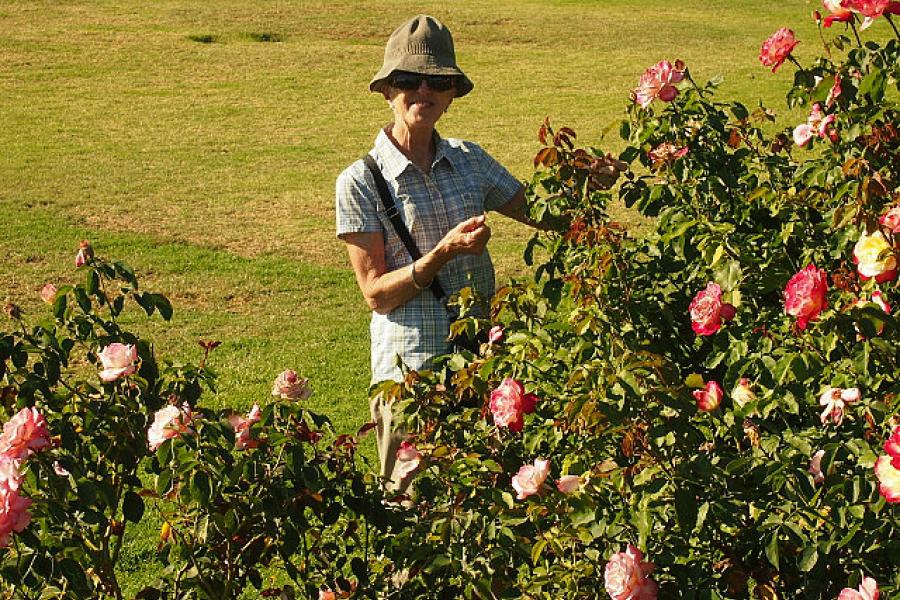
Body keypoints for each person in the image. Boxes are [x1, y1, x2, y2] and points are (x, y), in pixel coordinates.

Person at [335, 14, 535, 493]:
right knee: (414, 522)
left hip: (482, 369)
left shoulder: (469, 160)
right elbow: (376, 294)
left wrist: (588, 180)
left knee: (489, 511)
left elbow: (539, 210)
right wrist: (441, 254)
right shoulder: (360, 181)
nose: (422, 91)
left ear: (450, 94)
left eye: (437, 81)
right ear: (387, 90)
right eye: (408, 79)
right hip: (412, 381)